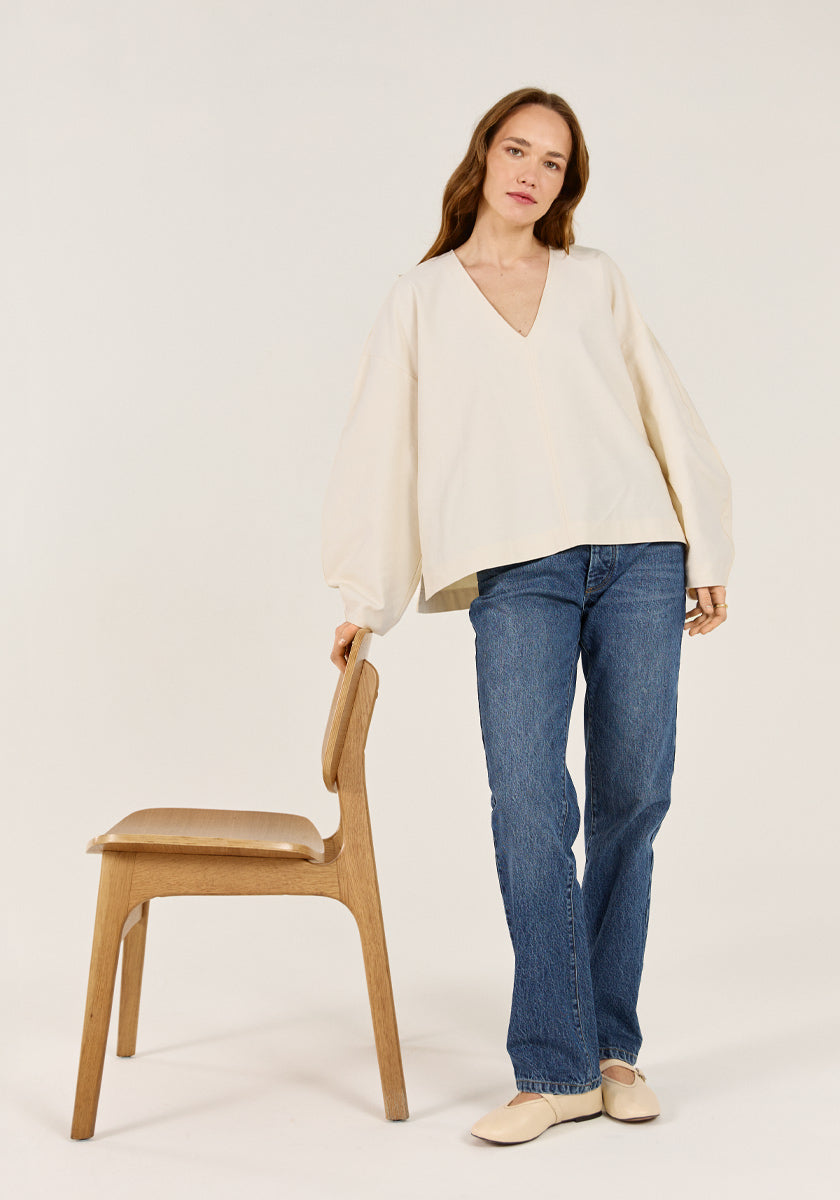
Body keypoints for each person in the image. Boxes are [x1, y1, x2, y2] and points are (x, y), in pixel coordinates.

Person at [321, 86, 733, 1145]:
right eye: (519, 150)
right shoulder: (420, 298)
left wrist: (705, 544)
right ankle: (555, 1068)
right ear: (484, 156)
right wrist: (365, 599)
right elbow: (381, 447)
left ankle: (610, 1050)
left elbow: (662, 403)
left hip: (639, 552)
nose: (533, 174)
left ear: (566, 183)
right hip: (517, 569)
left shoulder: (596, 280)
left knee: (635, 795)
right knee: (529, 805)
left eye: (554, 162)